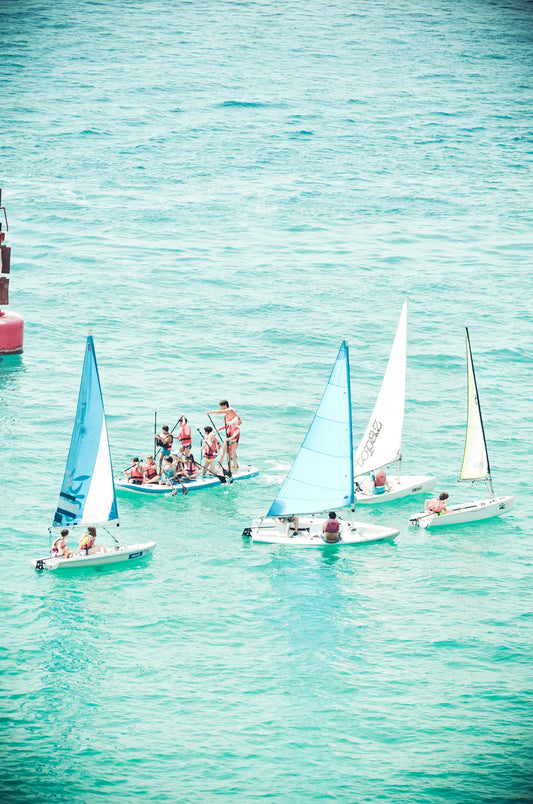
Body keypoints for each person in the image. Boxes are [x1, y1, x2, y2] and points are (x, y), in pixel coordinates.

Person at [206, 401, 242, 471]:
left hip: (234, 434)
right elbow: (227, 425)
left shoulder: (230, 410)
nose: (221, 408)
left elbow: (219, 412)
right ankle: (220, 467)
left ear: (225, 406)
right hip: (228, 434)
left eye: (221, 407)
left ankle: (232, 467)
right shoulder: (227, 415)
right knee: (224, 452)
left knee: (230, 452)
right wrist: (219, 429)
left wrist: (210, 412)